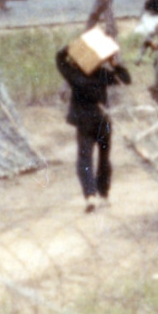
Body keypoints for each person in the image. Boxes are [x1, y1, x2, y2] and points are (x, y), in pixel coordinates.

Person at [56, 38, 133, 210]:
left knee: (84, 159)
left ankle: (90, 195)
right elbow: (126, 79)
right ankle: (103, 194)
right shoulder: (102, 74)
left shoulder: (74, 75)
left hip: (84, 122)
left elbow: (59, 59)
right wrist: (114, 63)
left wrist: (70, 47)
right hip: (103, 120)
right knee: (104, 158)